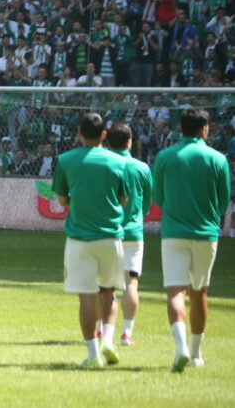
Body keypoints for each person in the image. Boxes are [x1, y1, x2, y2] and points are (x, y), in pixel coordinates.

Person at [152, 108, 231, 372]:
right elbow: (223, 201)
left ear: (180, 128)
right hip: (206, 233)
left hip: (174, 232)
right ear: (203, 129)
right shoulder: (218, 158)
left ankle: (180, 348)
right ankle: (196, 354)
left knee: (175, 291)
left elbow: (159, 199)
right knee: (200, 292)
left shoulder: (164, 156)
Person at [53, 112, 128, 369]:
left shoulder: (65, 160)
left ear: (79, 134)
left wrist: (80, 201)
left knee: (86, 296)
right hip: (111, 236)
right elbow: (124, 199)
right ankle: (108, 338)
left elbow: (62, 200)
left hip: (79, 238)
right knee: (109, 292)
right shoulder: (118, 161)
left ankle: (93, 354)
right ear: (104, 135)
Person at [105, 123, 153, 347]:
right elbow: (147, 203)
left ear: (108, 142)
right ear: (130, 141)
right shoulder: (142, 167)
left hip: (107, 231)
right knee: (131, 283)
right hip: (133, 232)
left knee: (104, 287)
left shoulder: (104, 164)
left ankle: (101, 332)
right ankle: (126, 333)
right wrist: (135, 216)